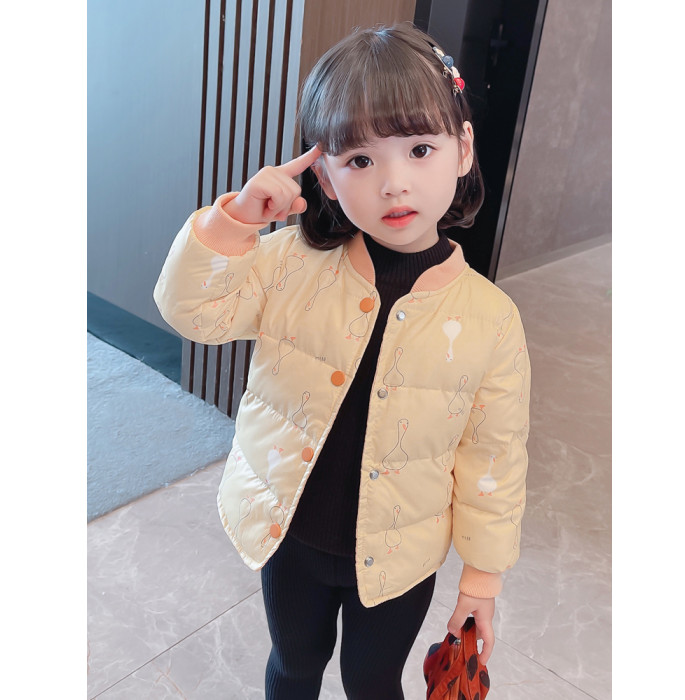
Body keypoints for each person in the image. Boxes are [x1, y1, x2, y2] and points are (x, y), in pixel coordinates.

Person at [154, 22, 530, 700]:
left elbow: (494, 458)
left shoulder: (492, 319)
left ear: (464, 149)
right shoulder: (285, 263)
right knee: (294, 664)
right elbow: (194, 313)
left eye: (420, 149)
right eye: (359, 160)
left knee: (371, 680)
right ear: (323, 176)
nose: (394, 184)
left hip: (399, 554)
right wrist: (234, 223)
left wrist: (482, 581)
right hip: (292, 535)